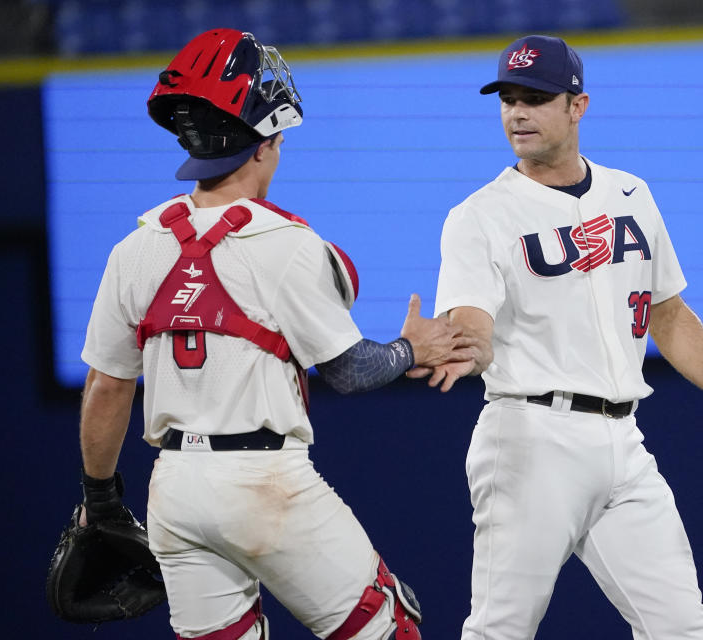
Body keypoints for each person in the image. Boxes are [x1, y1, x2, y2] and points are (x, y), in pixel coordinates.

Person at [77, 28, 468, 640]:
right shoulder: (286, 245)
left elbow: (106, 387)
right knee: (388, 630)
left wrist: (98, 500)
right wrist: (414, 347)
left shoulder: (134, 248)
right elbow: (350, 371)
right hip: (264, 482)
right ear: (263, 145)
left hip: (174, 493)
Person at [414, 35, 703, 639]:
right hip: (531, 438)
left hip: (624, 442)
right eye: (507, 99)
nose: (517, 113)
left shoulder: (630, 194)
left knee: (683, 631)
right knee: (500, 630)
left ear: (577, 107)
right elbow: (472, 324)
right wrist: (457, 345)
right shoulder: (479, 216)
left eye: (535, 97)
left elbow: (670, 316)